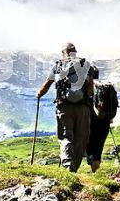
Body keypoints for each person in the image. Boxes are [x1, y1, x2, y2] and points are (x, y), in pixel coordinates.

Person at [36, 42, 95, 172]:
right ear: (75, 52)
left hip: (64, 107)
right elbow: (90, 89)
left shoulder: (58, 66)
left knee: (65, 136)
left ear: (64, 52)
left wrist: (39, 94)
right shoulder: (85, 65)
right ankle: (75, 169)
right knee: (81, 138)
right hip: (82, 108)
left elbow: (47, 85)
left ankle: (68, 166)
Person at [86, 78, 119, 172]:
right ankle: (95, 164)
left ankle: (92, 162)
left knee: (90, 142)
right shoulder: (108, 88)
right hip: (106, 120)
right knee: (99, 144)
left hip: (94, 120)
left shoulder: (93, 85)